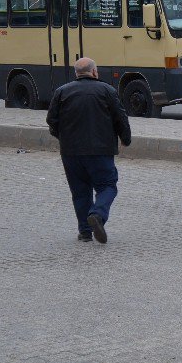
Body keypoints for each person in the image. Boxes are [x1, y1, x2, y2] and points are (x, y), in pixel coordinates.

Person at [46, 58, 132, 243]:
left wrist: (63, 138)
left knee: (80, 191)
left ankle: (85, 232)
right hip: (100, 151)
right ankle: (97, 215)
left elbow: (52, 121)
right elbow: (120, 117)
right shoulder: (107, 91)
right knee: (107, 186)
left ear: (76, 73)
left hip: (71, 152)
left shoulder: (62, 92)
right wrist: (125, 139)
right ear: (94, 72)